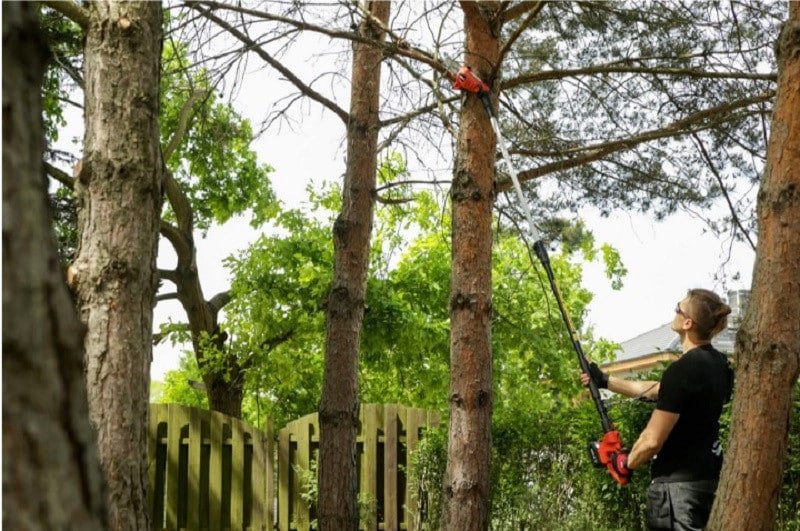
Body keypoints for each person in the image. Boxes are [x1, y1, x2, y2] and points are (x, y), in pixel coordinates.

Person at [582, 288, 734, 530]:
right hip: (709, 484)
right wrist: (604, 380)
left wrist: (625, 462)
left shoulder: (682, 370)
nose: (674, 311)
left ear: (687, 323)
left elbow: (652, 441)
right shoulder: (720, 365)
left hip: (677, 494)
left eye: (678, 308)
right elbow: (656, 390)